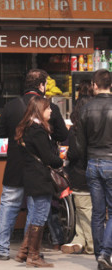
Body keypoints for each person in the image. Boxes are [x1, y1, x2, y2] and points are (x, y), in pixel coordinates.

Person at [0, 69, 68, 261]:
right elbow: (63, 135)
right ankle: (30, 248)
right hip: (38, 167)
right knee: (35, 207)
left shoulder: (11, 106)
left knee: (9, 204)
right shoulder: (48, 107)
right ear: (41, 85)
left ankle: (0, 248)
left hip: (15, 163)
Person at [15, 96, 64, 268]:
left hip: (31, 177)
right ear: (40, 110)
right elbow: (48, 157)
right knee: (40, 215)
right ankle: (33, 256)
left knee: (35, 212)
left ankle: (25, 250)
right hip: (40, 178)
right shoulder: (38, 131)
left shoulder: (28, 128)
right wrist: (61, 160)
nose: (51, 111)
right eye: (48, 108)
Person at [77, 69, 112, 269]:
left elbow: (80, 143)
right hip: (110, 161)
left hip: (92, 162)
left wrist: (83, 164)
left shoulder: (85, 109)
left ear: (94, 85)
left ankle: (100, 254)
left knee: (97, 212)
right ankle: (106, 253)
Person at [61, 80, 94, 255]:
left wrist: (66, 155)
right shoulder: (95, 129)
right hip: (97, 172)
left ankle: (91, 244)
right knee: (86, 210)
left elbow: (74, 154)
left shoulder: (75, 131)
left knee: (84, 210)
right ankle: (79, 240)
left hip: (80, 175)